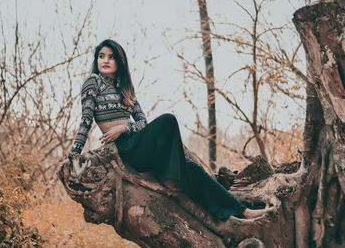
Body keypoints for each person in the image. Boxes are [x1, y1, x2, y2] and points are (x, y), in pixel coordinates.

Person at [69, 39, 274, 220]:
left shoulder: (126, 88)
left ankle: (241, 211)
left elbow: (142, 123)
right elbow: (86, 119)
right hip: (126, 149)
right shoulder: (93, 82)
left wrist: (123, 127)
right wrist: (75, 151)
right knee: (168, 120)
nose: (104, 60)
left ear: (119, 62)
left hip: (136, 140)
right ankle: (170, 179)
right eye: (101, 56)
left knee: (192, 169)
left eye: (111, 57)